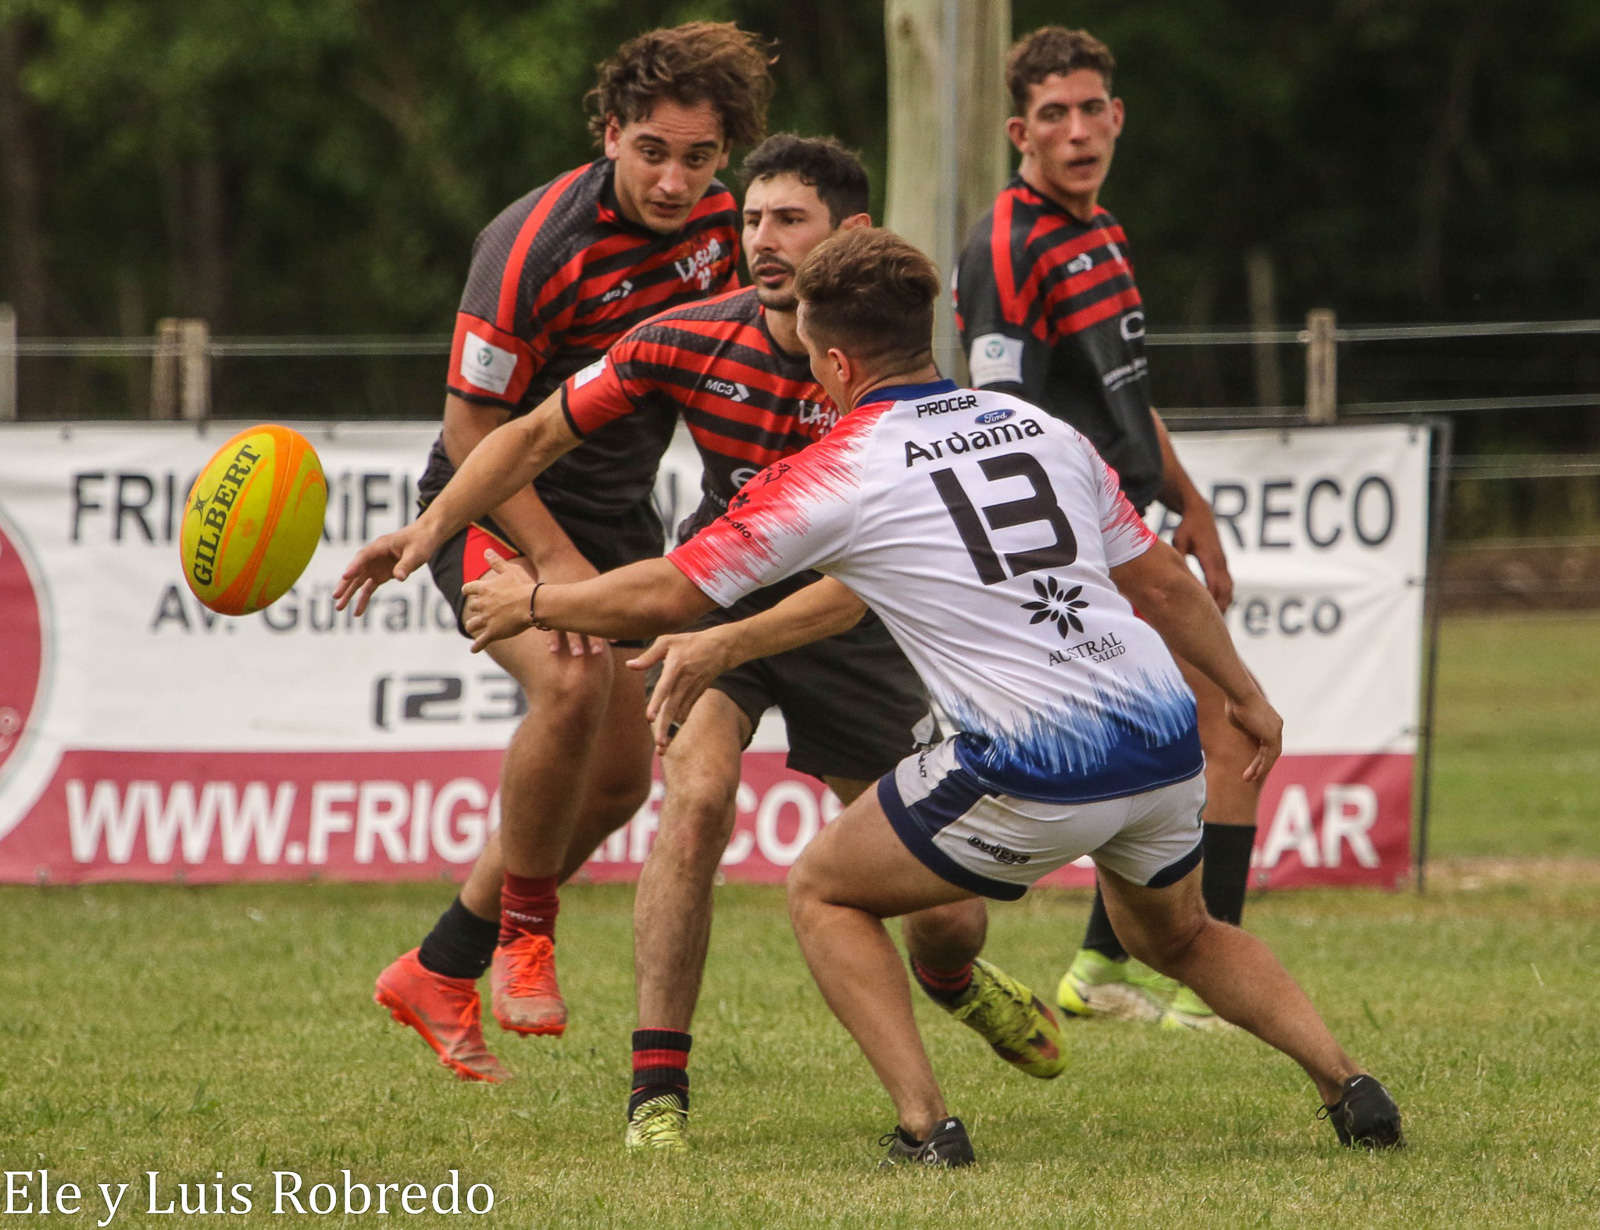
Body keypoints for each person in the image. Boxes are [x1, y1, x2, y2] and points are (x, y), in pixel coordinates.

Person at [445, 227, 1404, 1166]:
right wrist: (1245, 694)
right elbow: (1161, 583)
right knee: (1185, 934)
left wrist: (533, 598)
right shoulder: (1043, 430)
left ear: (830, 362)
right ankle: (1348, 1084)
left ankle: (926, 1126)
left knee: (823, 890)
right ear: (930, 333)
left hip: (1035, 764)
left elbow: (671, 591)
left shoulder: (837, 469)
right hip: (1161, 737)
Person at [341, 136, 1068, 1148]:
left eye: (788, 222)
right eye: (751, 221)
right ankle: (655, 1098)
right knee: (694, 798)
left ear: (846, 237)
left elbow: (856, 592)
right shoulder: (687, 336)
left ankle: (951, 976)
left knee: (942, 910)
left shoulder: (893, 387)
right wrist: (430, 531)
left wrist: (713, 634)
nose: (760, 243)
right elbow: (528, 434)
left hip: (837, 613)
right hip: (715, 602)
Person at [357, 22, 773, 1084]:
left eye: (699, 156)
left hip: (619, 518)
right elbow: (469, 434)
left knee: (622, 783)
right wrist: (553, 569)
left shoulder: (731, 223)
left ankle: (438, 968)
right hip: (493, 502)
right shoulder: (531, 242)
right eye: (651, 151)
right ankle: (524, 935)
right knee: (573, 681)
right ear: (608, 134)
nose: (676, 180)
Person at [955, 26, 1257, 1030]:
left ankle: (1100, 972)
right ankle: (1190, 980)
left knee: (1195, 735)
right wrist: (1083, 551)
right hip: (1084, 539)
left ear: (1116, 117)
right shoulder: (1008, 244)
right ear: (1018, 133)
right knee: (1227, 729)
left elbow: (1127, 397)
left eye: (1091, 110)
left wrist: (1195, 503)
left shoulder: (1102, 232)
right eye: (1053, 115)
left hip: (1133, 522)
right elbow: (1005, 421)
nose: (1077, 131)